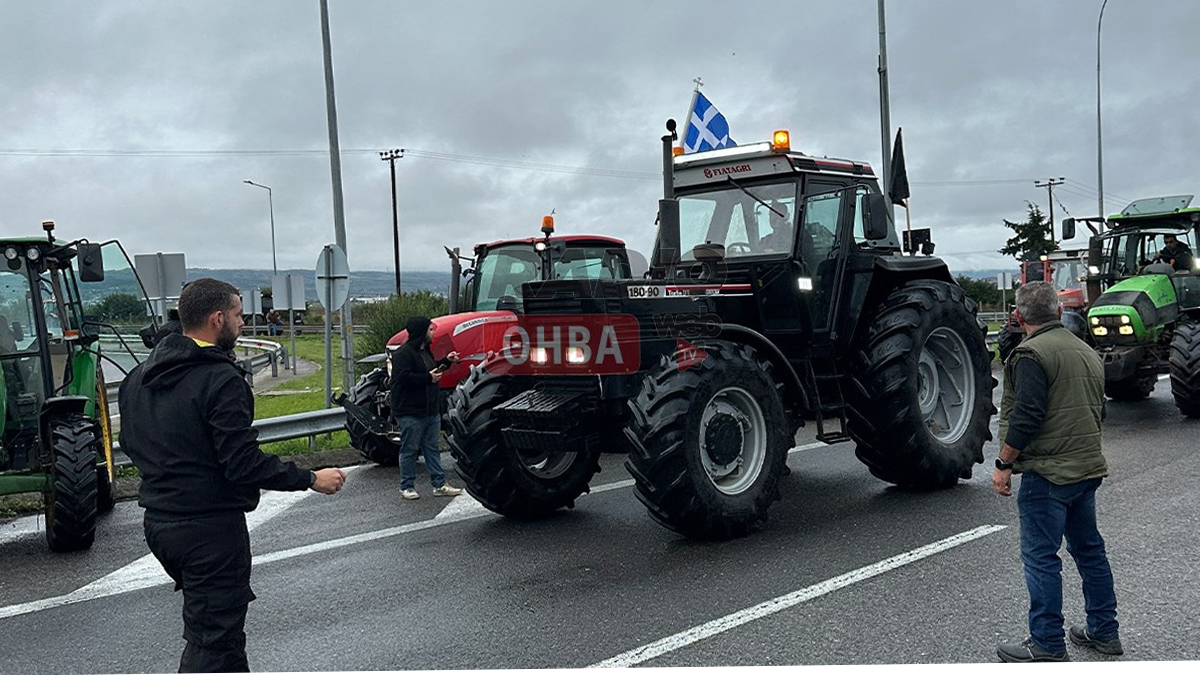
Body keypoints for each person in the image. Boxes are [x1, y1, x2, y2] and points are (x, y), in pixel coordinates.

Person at [119, 278, 347, 673]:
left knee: (215, 633)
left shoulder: (138, 377)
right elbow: (241, 463)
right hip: (209, 529)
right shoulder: (220, 379)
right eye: (240, 315)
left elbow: (131, 442)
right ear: (217, 318)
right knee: (215, 643)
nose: (244, 323)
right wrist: (311, 479)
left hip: (159, 523)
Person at [993, 281, 1121, 663]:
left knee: (1041, 557)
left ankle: (1047, 641)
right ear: (1057, 312)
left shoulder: (1030, 354)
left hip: (1047, 474)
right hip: (1085, 468)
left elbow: (1026, 415)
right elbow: (1099, 412)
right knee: (1090, 551)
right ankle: (1104, 631)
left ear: (1018, 316)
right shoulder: (1086, 352)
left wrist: (1003, 464)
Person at [390, 315, 463, 500]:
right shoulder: (403, 354)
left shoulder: (425, 352)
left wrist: (446, 361)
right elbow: (401, 379)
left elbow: (432, 370)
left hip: (430, 410)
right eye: (430, 330)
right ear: (421, 332)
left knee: (432, 448)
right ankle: (406, 486)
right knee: (410, 449)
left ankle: (439, 485)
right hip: (410, 412)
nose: (433, 333)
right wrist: (428, 379)